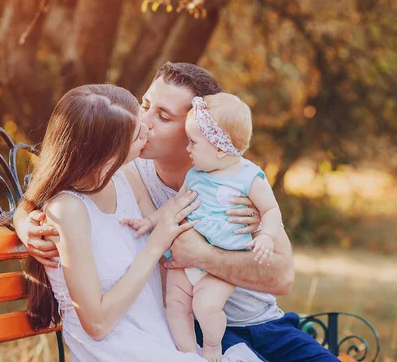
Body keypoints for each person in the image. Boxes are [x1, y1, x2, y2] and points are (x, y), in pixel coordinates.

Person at [15, 62, 338, 362]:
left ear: (198, 127)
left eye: (164, 117)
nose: (144, 122)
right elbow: (67, 182)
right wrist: (22, 220)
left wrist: (200, 254)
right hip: (188, 326)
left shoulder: (235, 179)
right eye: (144, 106)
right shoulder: (129, 171)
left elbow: (282, 277)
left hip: (262, 322)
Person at [19, 84, 260, 362]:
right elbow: (96, 325)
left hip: (158, 341)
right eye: (136, 134)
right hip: (115, 351)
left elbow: (179, 218)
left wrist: (243, 206)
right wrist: (155, 245)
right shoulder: (68, 209)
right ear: (107, 154)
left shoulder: (123, 178)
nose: (146, 129)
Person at [121, 93, 282, 362]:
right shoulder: (195, 175)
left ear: (220, 149)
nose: (188, 149)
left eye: (193, 142)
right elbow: (175, 204)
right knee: (175, 305)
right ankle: (188, 355)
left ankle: (211, 348)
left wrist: (266, 235)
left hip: (220, 264)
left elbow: (271, 210)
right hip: (184, 263)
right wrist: (149, 221)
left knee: (205, 307)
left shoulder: (249, 177)